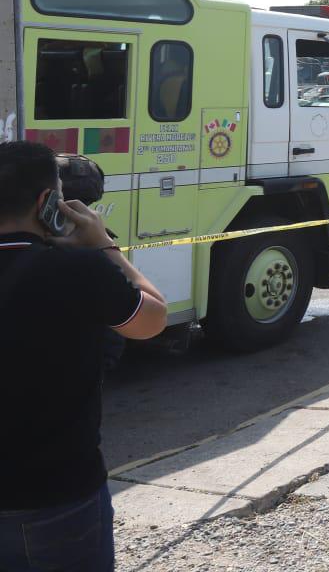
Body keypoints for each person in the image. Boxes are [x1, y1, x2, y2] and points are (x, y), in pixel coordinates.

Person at [0, 141, 169, 572]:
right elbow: (153, 318)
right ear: (47, 202)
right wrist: (103, 245)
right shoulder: (79, 271)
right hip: (58, 498)